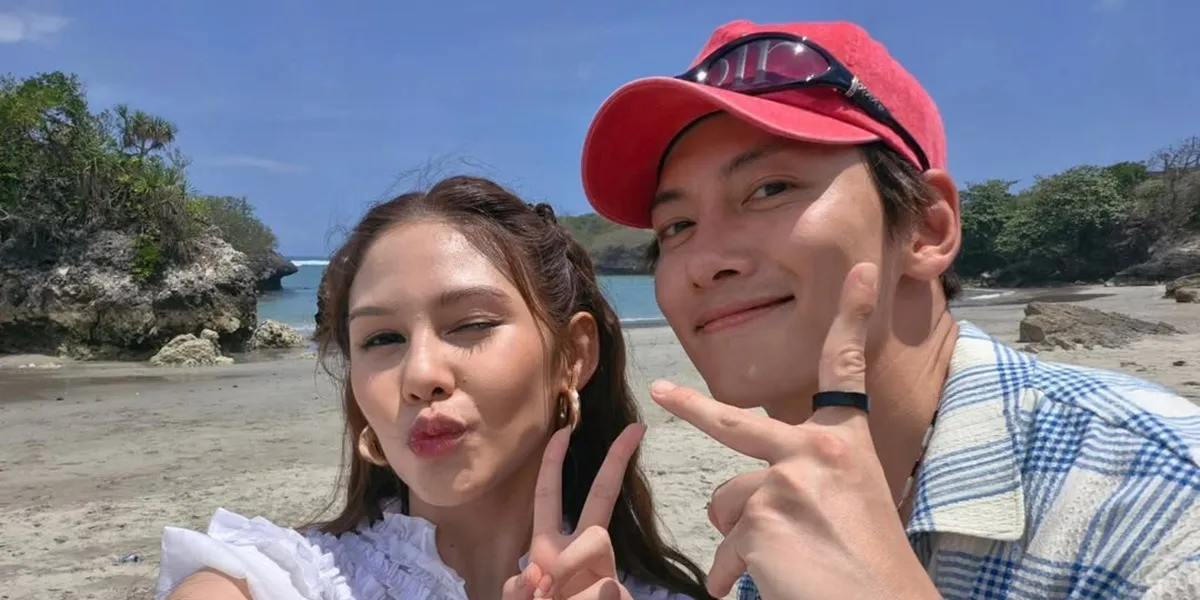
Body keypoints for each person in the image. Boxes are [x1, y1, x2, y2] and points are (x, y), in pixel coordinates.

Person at [581, 19, 1200, 600]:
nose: (704, 261)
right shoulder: (782, 529)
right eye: (677, 225)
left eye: (770, 189)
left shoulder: (1159, 499)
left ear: (927, 229)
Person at [155, 175, 713, 600]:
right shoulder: (275, 579)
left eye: (471, 325)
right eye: (382, 338)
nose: (420, 375)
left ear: (572, 355)